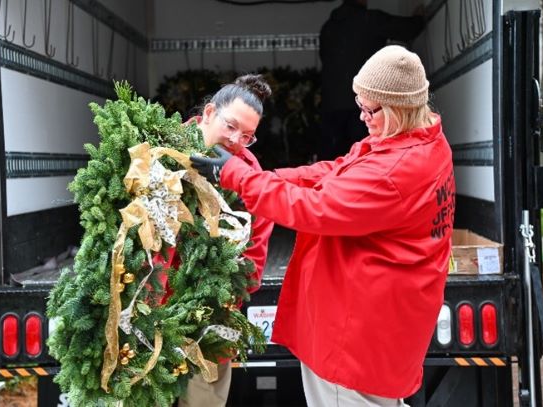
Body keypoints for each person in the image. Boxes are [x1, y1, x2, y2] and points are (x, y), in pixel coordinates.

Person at [191, 45, 455, 406]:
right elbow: (338, 170)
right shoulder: (420, 139)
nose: (361, 116)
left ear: (397, 107)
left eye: (368, 108)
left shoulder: (395, 171)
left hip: (355, 337)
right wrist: (267, 177)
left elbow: (312, 209)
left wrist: (235, 174)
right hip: (382, 327)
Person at [155, 74, 275, 407]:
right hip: (152, 310)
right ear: (209, 113)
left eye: (248, 136)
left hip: (213, 317)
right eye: (231, 127)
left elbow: (254, 260)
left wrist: (224, 291)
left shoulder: (249, 174)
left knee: (204, 400)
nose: (237, 141)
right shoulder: (162, 154)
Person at [318, 0, 424, 160]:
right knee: (364, 159)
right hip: (362, 105)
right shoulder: (370, 19)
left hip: (331, 106)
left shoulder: (328, 27)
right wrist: (419, 18)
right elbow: (407, 30)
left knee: (335, 162)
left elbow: (324, 58)